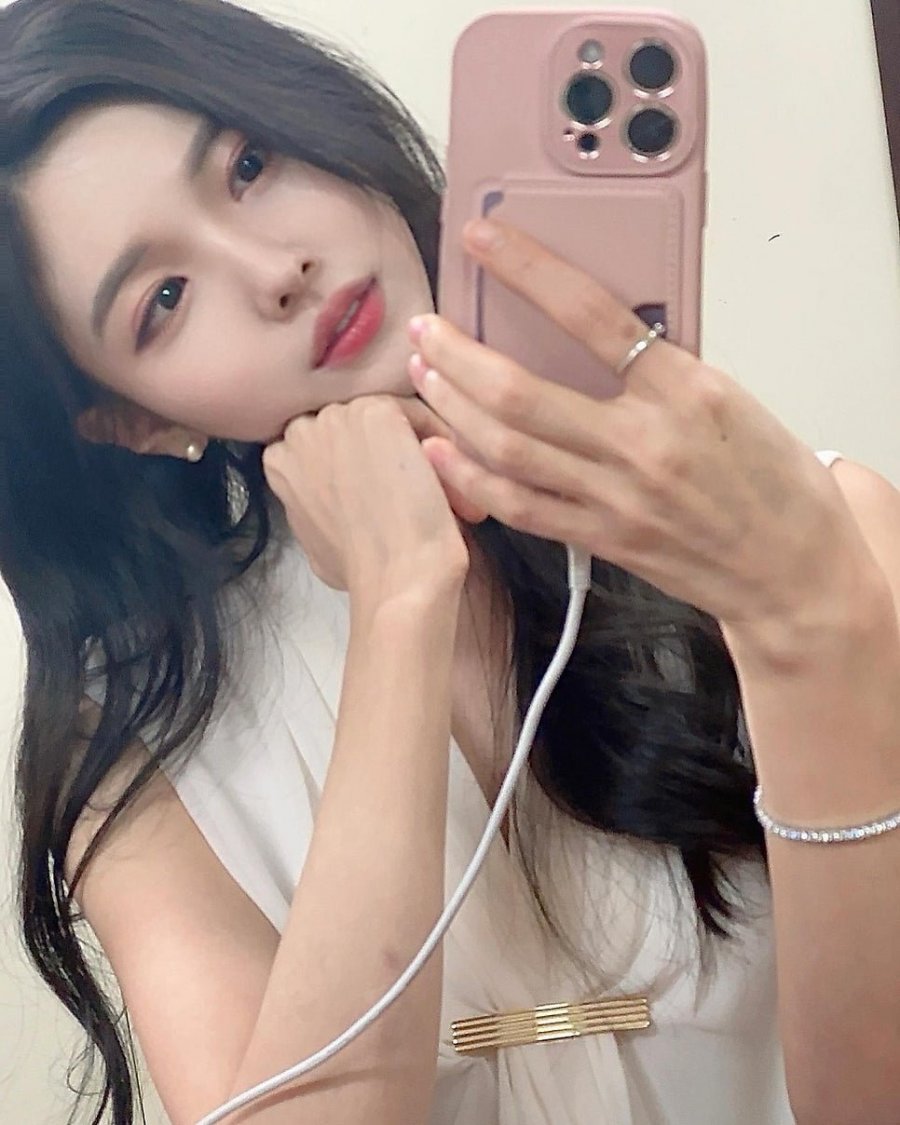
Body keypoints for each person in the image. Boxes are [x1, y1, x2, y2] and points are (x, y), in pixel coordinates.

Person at [3, 1, 899, 1123]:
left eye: (249, 164)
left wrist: (801, 626)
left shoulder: (825, 535)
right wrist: (398, 603)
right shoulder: (139, 746)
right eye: (164, 301)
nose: (275, 269)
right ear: (135, 422)